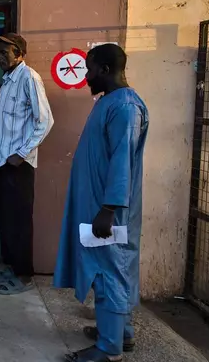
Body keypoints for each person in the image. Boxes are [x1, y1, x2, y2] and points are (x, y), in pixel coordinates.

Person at [53, 43, 149, 362]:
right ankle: (120, 332)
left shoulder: (125, 108)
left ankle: (109, 350)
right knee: (110, 269)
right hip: (97, 205)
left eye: (90, 69)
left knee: (109, 271)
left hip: (108, 211)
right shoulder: (110, 101)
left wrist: (108, 209)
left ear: (105, 70)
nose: (85, 76)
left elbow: (123, 160)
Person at [0, 33, 54, 295]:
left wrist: (21, 153)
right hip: (3, 162)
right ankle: (11, 266)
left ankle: (24, 276)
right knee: (7, 220)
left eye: (4, 52)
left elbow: (45, 121)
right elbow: (2, 118)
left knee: (19, 221)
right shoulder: (7, 81)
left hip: (19, 165)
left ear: (19, 53)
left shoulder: (29, 78)